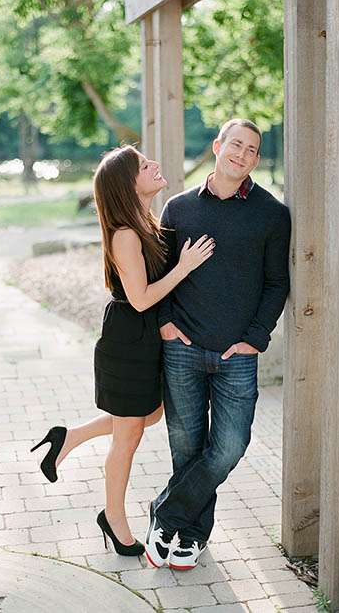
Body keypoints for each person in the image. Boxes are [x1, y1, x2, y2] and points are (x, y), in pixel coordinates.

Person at [30, 145, 214, 555]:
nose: (155, 165)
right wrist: (185, 267)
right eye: (144, 165)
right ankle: (114, 520)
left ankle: (69, 437)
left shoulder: (143, 223)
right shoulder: (126, 234)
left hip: (141, 337)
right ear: (127, 184)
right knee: (128, 435)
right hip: (129, 340)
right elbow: (142, 298)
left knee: (148, 415)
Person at [144, 118, 291, 570]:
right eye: (236, 145)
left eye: (252, 150)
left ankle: (164, 516)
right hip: (182, 350)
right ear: (217, 146)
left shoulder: (271, 213)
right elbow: (158, 273)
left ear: (257, 159)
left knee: (228, 447)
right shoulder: (179, 208)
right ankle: (190, 536)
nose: (242, 155)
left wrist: (254, 340)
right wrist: (166, 324)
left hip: (236, 357)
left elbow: (276, 283)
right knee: (186, 448)